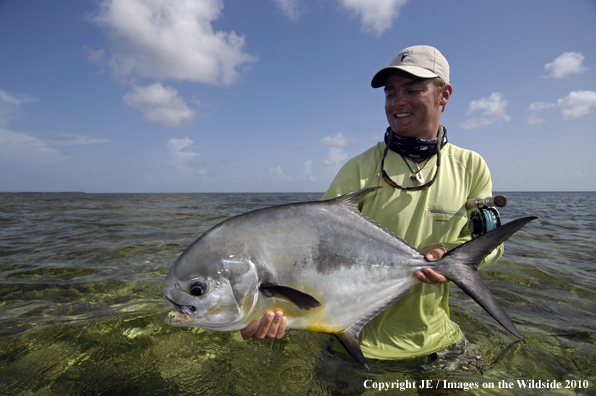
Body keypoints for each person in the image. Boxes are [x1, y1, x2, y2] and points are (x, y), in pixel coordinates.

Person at [240, 45, 503, 361]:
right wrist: (263, 306)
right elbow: (310, 249)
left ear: (443, 95)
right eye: (390, 93)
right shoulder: (358, 168)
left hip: (438, 339)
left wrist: (449, 257)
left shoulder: (472, 166)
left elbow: (489, 247)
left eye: (412, 89)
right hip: (352, 342)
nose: (398, 102)